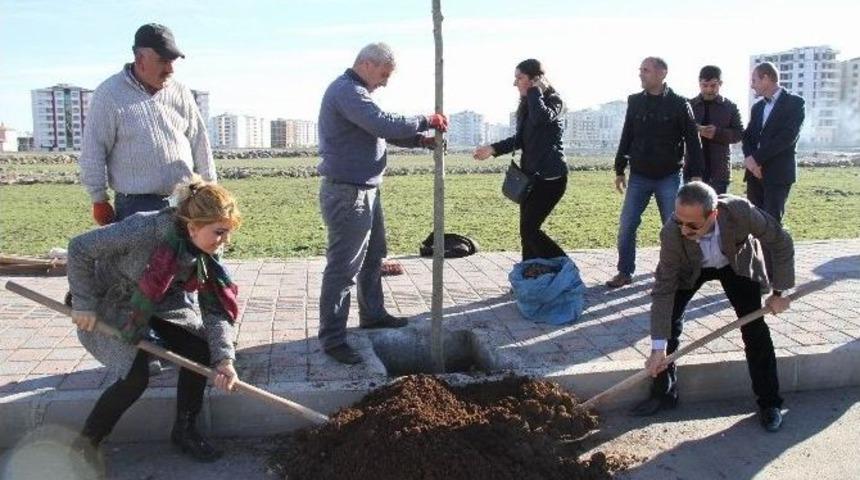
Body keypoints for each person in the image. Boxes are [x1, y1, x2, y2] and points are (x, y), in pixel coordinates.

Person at [67, 176, 241, 464]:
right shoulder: (143, 228)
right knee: (135, 377)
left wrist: (224, 360)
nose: (225, 241)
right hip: (112, 304)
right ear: (192, 227)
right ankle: (84, 446)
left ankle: (185, 431)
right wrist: (84, 304)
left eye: (228, 232)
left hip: (161, 303)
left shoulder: (208, 251)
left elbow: (215, 307)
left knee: (200, 350)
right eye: (220, 232)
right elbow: (79, 248)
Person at [317, 42, 447, 364]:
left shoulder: (357, 94)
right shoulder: (347, 91)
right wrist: (426, 120)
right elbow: (383, 123)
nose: (386, 82)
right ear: (367, 64)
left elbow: (379, 133)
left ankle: (373, 315)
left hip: (366, 190)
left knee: (374, 257)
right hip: (349, 194)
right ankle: (333, 338)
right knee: (343, 269)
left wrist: (419, 141)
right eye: (384, 74)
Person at [634, 181, 793, 433]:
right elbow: (663, 289)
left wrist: (780, 292)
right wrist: (657, 347)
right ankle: (663, 393)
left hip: (736, 264)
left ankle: (770, 403)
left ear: (714, 214)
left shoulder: (740, 212)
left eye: (693, 224)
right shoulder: (672, 234)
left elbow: (781, 241)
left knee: (754, 329)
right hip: (691, 268)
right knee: (669, 325)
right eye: (679, 221)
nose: (684, 229)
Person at [79, 23, 216, 225]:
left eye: (172, 62)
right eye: (162, 61)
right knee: (143, 258)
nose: (170, 69)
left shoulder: (181, 92)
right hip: (136, 206)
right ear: (140, 59)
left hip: (186, 202)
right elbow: (93, 150)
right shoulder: (109, 94)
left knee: (192, 257)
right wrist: (99, 199)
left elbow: (199, 141)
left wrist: (210, 187)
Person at [607, 57, 704, 288]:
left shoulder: (680, 104)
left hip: (669, 176)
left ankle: (674, 274)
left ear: (662, 73)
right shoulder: (634, 101)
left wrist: (696, 175)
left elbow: (693, 140)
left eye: (646, 70)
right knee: (627, 225)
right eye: (640, 70)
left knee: (674, 228)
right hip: (639, 175)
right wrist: (619, 168)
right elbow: (627, 135)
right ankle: (624, 272)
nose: (641, 74)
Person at [473, 59, 568, 261]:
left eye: (519, 78)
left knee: (529, 229)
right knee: (526, 232)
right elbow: (520, 140)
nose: (515, 83)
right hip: (530, 178)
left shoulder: (555, 101)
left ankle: (564, 265)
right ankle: (529, 276)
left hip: (550, 180)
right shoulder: (527, 104)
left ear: (535, 79)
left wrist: (535, 91)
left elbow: (541, 118)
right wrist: (492, 149)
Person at [742, 61, 805, 224]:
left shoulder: (795, 103)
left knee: (771, 224)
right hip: (754, 175)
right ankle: (759, 251)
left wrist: (757, 160)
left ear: (766, 78)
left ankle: (778, 251)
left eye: (754, 80)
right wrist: (751, 161)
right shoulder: (757, 108)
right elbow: (748, 136)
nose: (752, 85)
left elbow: (787, 138)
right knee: (755, 223)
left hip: (777, 174)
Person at [684, 65, 744, 194]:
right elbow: (678, 131)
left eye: (713, 86)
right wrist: (695, 130)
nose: (709, 90)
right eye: (705, 85)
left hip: (719, 172)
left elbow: (739, 134)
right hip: (693, 171)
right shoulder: (689, 106)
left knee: (719, 211)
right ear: (699, 84)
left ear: (720, 84)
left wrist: (717, 133)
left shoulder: (730, 107)